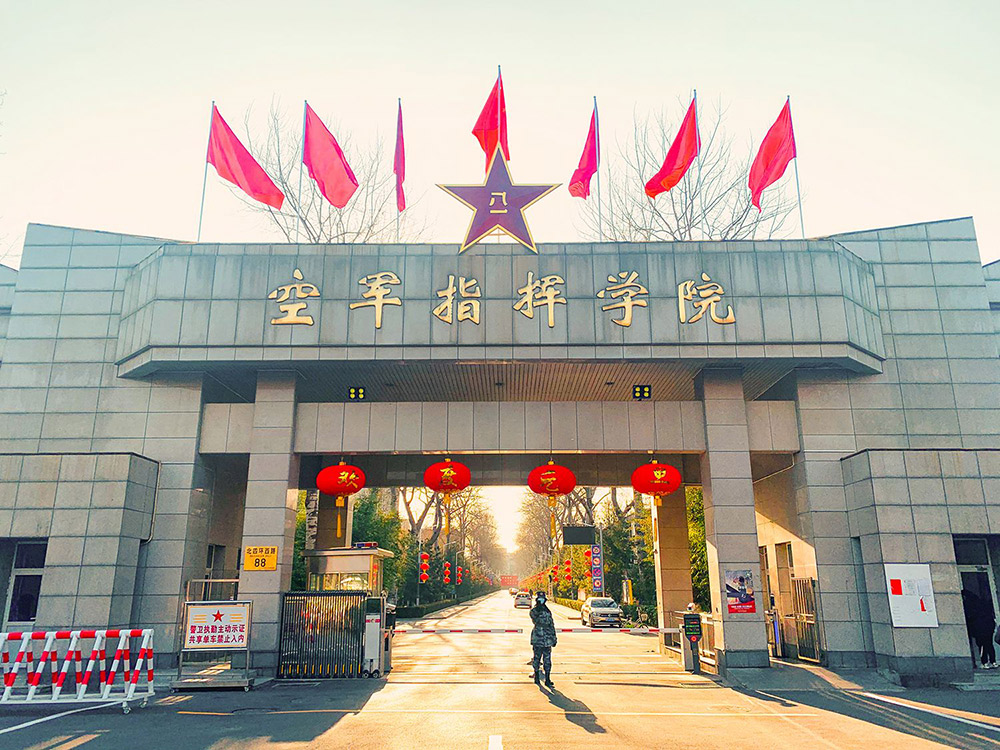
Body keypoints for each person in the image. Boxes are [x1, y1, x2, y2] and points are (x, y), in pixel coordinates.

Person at [529, 591, 557, 687]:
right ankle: (536, 676)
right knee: (536, 659)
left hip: (547, 640)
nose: (542, 601)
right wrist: (538, 608)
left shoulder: (547, 611)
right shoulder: (534, 611)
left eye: (543, 599)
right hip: (538, 639)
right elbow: (535, 619)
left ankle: (547, 679)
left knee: (547, 660)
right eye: (540, 599)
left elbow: (551, 625)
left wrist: (554, 638)